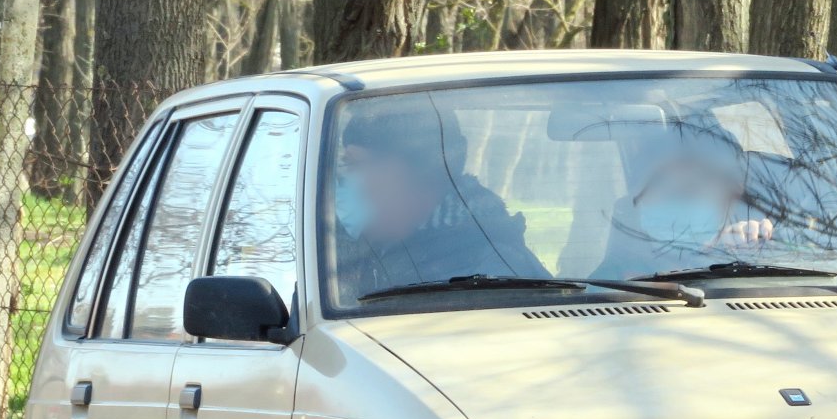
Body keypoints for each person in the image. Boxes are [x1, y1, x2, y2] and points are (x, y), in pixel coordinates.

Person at [331, 99, 547, 300]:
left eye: (354, 165)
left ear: (419, 172)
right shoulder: (394, 249)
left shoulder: (485, 281)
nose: (345, 182)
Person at [592, 123, 775, 280]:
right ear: (636, 196)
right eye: (664, 185)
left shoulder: (756, 259)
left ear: (733, 193)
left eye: (691, 190)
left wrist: (748, 248)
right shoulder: (607, 281)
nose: (679, 202)